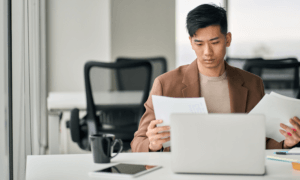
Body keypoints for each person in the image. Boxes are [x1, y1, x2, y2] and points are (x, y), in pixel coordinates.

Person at [131, 4, 300, 152]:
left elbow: (262, 143)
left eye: (214, 42)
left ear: (227, 39)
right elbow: (137, 142)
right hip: (184, 172)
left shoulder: (253, 84)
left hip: (237, 168)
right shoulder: (165, 84)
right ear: (191, 42)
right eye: (199, 43)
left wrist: (286, 143)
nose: (207, 52)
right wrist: (153, 144)